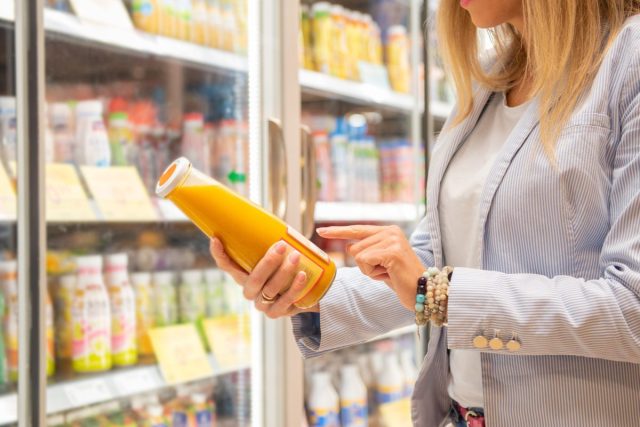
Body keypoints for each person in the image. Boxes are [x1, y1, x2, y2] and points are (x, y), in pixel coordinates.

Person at [210, 0, 640, 425]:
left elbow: (632, 305)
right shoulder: (488, 80)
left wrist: (441, 293)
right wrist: (305, 287)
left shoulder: (628, 58)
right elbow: (433, 263)